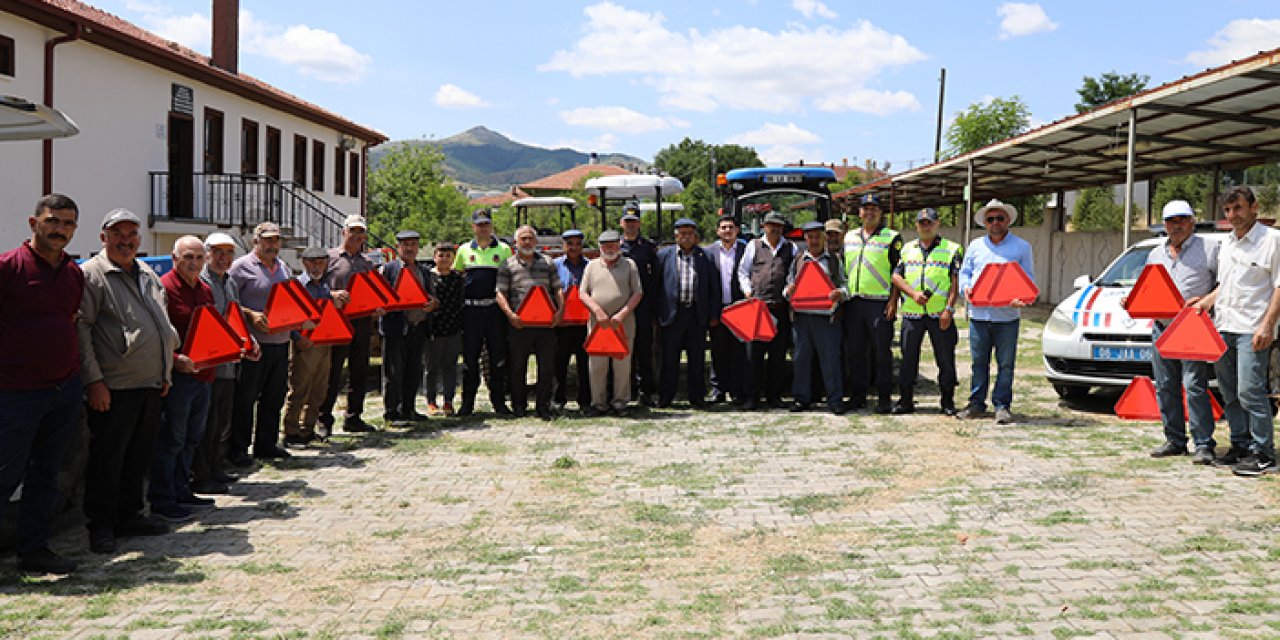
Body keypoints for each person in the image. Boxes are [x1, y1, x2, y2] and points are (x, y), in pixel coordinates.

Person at [78, 208, 180, 554]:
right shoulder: (92, 275)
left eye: (132, 234)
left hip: (150, 383)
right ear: (103, 237)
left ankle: (130, 514)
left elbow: (160, 324)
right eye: (118, 234)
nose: (126, 240)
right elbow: (82, 331)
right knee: (108, 458)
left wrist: (164, 371)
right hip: (113, 387)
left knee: (139, 456)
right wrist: (94, 382)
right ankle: (102, 524)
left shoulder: (147, 272)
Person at [0, 194, 84, 573]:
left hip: (63, 388)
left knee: (47, 475)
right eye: (52, 221)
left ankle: (33, 550)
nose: (60, 229)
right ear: (33, 223)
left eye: (67, 223)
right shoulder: (8, 267)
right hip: (15, 392)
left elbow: (70, 320)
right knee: (4, 477)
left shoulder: (72, 273)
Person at [1193, 187, 1280, 476]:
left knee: (1250, 392)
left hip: (1252, 329)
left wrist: (1267, 325)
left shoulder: (1272, 241)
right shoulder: (1227, 243)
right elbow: (1226, 286)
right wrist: (1205, 302)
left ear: (1255, 207)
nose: (1233, 216)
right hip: (1223, 327)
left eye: (1239, 208)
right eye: (1228, 210)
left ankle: (1264, 454)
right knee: (1229, 393)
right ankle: (1241, 446)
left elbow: (1279, 287)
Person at [1133, 201, 1219, 462]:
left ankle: (1204, 444)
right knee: (1166, 386)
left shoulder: (1210, 248)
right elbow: (1146, 287)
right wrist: (1131, 300)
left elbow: (1225, 283)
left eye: (1182, 219)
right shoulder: (1155, 253)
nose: (1177, 224)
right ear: (1164, 224)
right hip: (1161, 327)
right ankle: (1175, 440)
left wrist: (1207, 299)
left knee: (1194, 385)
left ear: (1193, 221)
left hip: (1191, 325)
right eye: (1171, 220)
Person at [149, 236, 219, 523]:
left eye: (199, 258)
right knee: (172, 440)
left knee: (191, 438)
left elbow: (213, 327)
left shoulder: (204, 289)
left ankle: (182, 490)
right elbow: (156, 333)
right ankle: (163, 499)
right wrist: (177, 361)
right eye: (188, 257)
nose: (193, 263)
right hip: (178, 377)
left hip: (204, 374)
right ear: (174, 258)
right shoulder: (163, 288)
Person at [957, 199, 1035, 424]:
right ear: (984, 222)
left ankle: (1002, 406)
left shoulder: (1022, 247)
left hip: (1007, 317)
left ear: (1008, 220)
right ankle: (976, 404)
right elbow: (965, 273)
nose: (995, 223)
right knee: (978, 362)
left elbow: (1028, 278)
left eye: (1000, 218)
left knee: (1006, 364)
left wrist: (1023, 298)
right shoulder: (974, 246)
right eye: (990, 219)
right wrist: (966, 288)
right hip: (979, 315)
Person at [227, 222, 293, 460]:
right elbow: (229, 303)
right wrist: (251, 315)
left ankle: (266, 444)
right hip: (254, 345)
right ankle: (239, 448)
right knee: (246, 398)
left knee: (274, 396)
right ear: (255, 241)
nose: (271, 244)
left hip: (281, 340)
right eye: (266, 240)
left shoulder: (283, 267)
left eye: (275, 240)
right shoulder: (240, 267)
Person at [890, 208, 963, 415]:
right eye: (922, 222)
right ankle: (905, 401)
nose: (926, 226)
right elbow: (896, 277)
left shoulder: (952, 249)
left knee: (945, 359)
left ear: (937, 224)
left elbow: (955, 282)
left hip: (939, 314)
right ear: (916, 225)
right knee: (908, 359)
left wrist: (949, 309)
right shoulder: (907, 249)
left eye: (929, 222)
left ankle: (947, 402)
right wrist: (912, 294)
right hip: (912, 313)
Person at [192, 232, 248, 494]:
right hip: (209, 363)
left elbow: (235, 317)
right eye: (218, 253)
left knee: (221, 421)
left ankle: (216, 467)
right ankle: (202, 474)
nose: (223, 258)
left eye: (228, 253)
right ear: (207, 254)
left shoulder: (230, 282)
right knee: (207, 422)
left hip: (229, 363)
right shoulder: (201, 282)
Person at [495, 225, 564, 420]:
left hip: (546, 325)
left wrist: (560, 311)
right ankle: (519, 406)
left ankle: (543, 406)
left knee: (547, 367)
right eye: (523, 239)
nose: (527, 242)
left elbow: (557, 288)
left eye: (530, 238)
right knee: (517, 367)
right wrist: (510, 315)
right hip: (519, 325)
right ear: (515, 242)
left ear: (535, 241)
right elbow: (500, 293)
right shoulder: (507, 265)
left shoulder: (548, 263)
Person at [321, 215, 381, 433]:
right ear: (343, 232)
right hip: (336, 321)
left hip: (362, 322)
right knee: (333, 371)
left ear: (365, 236)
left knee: (359, 370)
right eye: (352, 231)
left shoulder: (368, 263)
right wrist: (332, 294)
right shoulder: (329, 257)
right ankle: (323, 419)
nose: (356, 236)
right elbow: (315, 286)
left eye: (360, 232)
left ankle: (353, 418)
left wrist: (378, 305)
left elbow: (375, 290)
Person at [843, 193, 903, 413]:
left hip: (879, 304)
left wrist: (893, 301)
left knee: (881, 353)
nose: (869, 212)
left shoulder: (892, 237)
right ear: (859, 213)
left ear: (880, 213)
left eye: (874, 209)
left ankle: (884, 398)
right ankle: (858, 396)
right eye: (865, 208)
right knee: (855, 352)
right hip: (854, 303)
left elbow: (899, 272)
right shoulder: (849, 237)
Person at [654, 218, 721, 408]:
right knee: (669, 358)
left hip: (696, 315)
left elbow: (714, 288)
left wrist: (713, 314)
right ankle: (666, 396)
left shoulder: (706, 256)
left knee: (697, 358)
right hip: (672, 315)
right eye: (682, 233)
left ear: (695, 236)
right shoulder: (663, 256)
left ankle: (697, 397)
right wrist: (657, 314)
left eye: (689, 233)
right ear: (675, 236)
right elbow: (655, 287)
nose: (686, 237)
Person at [455, 209, 514, 416]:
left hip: (495, 311)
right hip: (471, 311)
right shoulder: (463, 250)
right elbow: (457, 276)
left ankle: (499, 402)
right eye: (479, 225)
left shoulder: (505, 250)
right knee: (470, 359)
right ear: (473, 227)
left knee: (497, 357)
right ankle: (467, 403)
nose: (483, 228)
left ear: (492, 226)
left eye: (486, 224)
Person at [785, 221, 848, 415]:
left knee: (830, 361)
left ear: (824, 238)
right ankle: (801, 399)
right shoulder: (798, 260)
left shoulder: (834, 261)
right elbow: (787, 286)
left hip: (826, 320)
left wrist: (840, 293)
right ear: (805, 239)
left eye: (818, 236)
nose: (814, 241)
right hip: (802, 320)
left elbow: (845, 285)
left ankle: (835, 400)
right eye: (810, 237)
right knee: (801, 360)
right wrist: (788, 291)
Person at [579, 230, 643, 416]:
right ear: (600, 247)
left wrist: (622, 314)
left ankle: (620, 403)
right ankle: (599, 404)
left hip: (623, 324)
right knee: (597, 366)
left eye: (613, 245)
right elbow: (583, 293)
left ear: (619, 245)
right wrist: (598, 312)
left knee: (622, 365)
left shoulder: (629, 265)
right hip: (598, 325)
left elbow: (637, 293)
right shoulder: (591, 266)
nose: (610, 248)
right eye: (606, 245)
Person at [737, 212, 797, 410]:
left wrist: (790, 287)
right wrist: (747, 290)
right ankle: (751, 397)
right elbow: (743, 272)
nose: (775, 229)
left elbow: (795, 273)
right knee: (752, 355)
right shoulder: (752, 246)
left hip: (780, 308)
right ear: (764, 226)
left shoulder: (791, 247)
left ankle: (774, 396)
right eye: (771, 225)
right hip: (757, 308)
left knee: (777, 355)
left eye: (778, 226)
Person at [283, 247, 340, 446]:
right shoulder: (297, 285)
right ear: (304, 263)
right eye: (313, 262)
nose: (318, 266)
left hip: (324, 344)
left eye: (321, 262)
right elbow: (288, 315)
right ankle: (291, 431)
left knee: (319, 389)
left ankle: (307, 429)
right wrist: (297, 338)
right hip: (305, 345)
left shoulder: (324, 286)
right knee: (300, 388)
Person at [380, 231, 437, 424]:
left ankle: (408, 409)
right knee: (394, 372)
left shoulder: (424, 271)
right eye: (406, 245)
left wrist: (433, 304)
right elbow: (381, 297)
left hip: (418, 327)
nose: (410, 248)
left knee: (414, 371)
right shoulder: (388, 269)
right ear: (398, 247)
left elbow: (432, 297)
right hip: (396, 328)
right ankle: (392, 412)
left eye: (413, 244)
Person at [704, 215, 747, 405]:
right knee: (718, 351)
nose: (727, 230)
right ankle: (718, 389)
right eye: (723, 227)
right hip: (718, 309)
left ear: (737, 230)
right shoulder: (708, 252)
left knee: (739, 351)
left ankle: (737, 390)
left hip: (739, 308)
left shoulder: (746, 250)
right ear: (717, 231)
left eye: (731, 227)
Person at [620, 203, 660, 406]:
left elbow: (655, 280)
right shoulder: (615, 248)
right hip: (620, 307)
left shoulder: (648, 248)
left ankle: (646, 391)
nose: (631, 225)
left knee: (644, 351)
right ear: (621, 223)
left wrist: (654, 310)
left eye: (634, 221)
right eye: (627, 222)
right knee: (623, 350)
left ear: (639, 223)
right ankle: (626, 391)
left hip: (643, 307)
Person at [553, 230, 592, 412]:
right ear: (563, 245)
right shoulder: (554, 265)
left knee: (585, 364)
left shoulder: (592, 266)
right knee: (560, 363)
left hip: (585, 323)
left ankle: (585, 400)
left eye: (577, 243)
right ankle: (558, 399)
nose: (574, 247)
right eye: (570, 243)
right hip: (563, 323)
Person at [425, 243, 464, 416]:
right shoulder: (428, 277)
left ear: (453, 259)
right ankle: (431, 401)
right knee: (431, 368)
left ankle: (448, 401)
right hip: (434, 330)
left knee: (450, 367)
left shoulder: (458, 279)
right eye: (441, 256)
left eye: (448, 256)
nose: (444, 259)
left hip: (453, 328)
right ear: (435, 257)